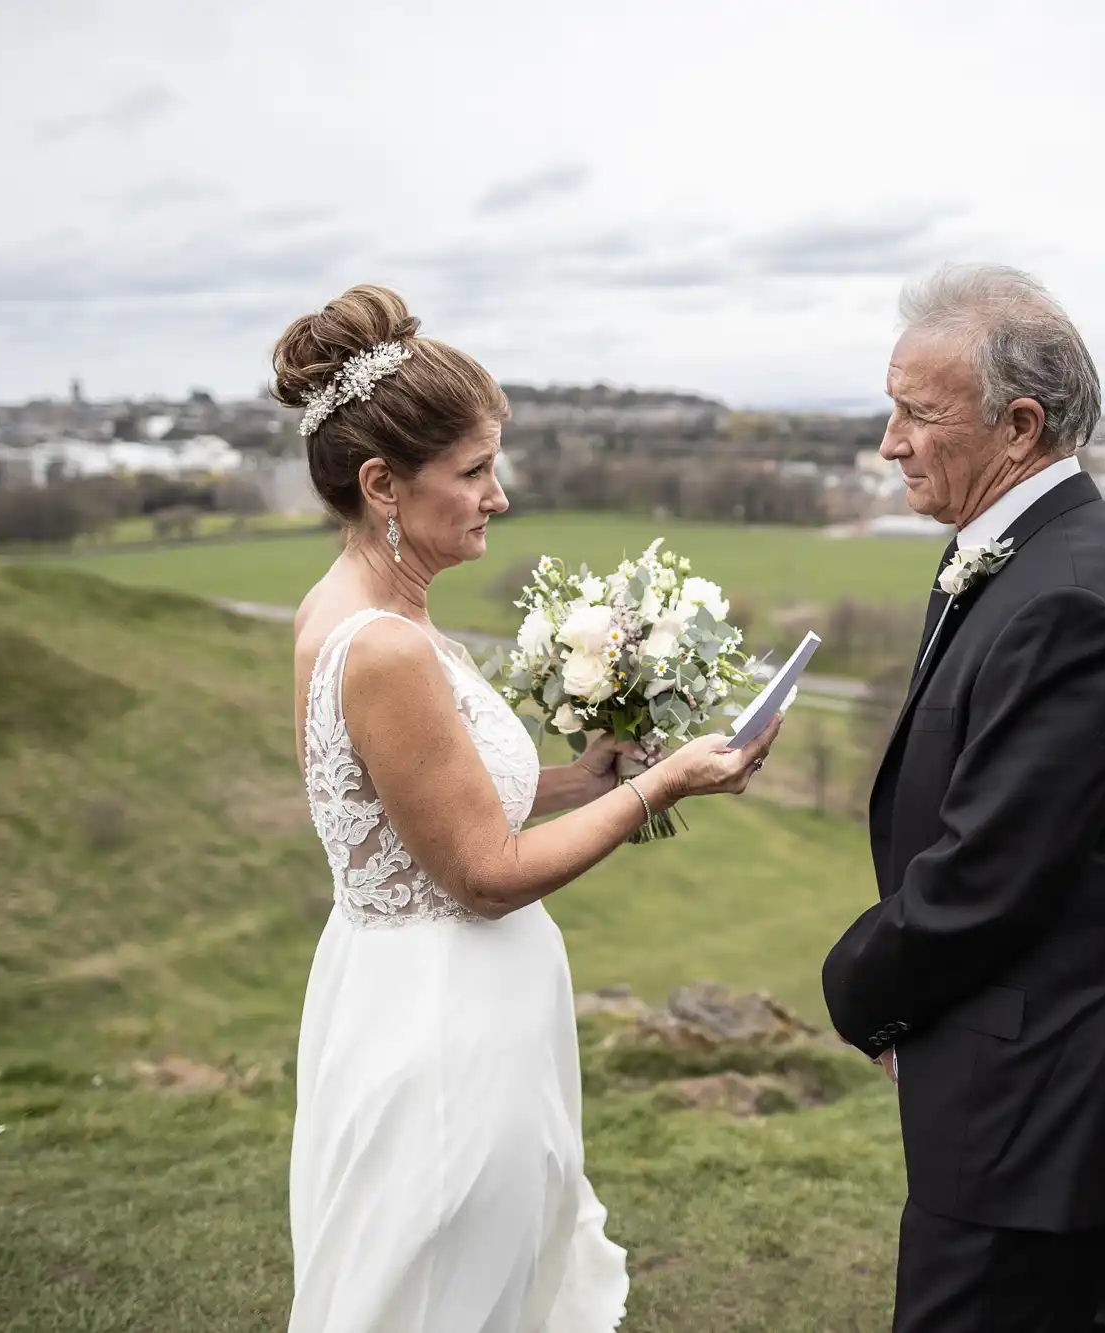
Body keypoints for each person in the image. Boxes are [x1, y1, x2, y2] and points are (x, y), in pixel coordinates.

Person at [278, 284, 780, 1333]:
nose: (496, 496)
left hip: (421, 997)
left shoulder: (358, 613)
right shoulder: (384, 648)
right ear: (382, 484)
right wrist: (662, 784)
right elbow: (481, 873)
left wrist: (589, 777)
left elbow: (422, 816)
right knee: (444, 1294)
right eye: (472, 472)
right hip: (443, 1027)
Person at [821, 264, 1105, 1332]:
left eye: (916, 412)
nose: (888, 441)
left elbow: (990, 874)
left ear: (1017, 424)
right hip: (1020, 1070)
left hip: (1038, 1083)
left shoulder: (1073, 599)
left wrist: (861, 986)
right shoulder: (1029, 559)